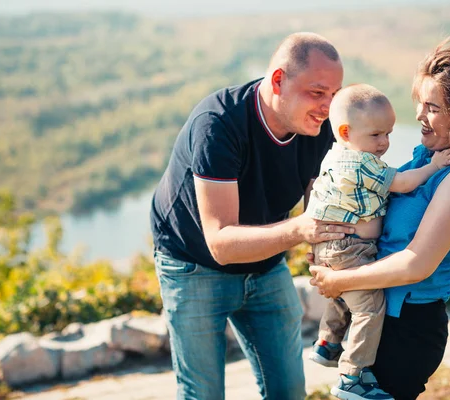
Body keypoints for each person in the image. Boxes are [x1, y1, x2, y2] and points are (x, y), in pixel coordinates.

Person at [309, 37, 450, 400]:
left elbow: (416, 264)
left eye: (433, 107)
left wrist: (338, 279)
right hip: (380, 316)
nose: (420, 116)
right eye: (420, 103)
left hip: (407, 328)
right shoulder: (423, 160)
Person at [150, 32, 354, 400]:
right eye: (317, 92)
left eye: (334, 95)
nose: (328, 107)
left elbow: (315, 205)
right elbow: (222, 244)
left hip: (264, 263)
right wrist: (301, 229)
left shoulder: (318, 126)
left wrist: (330, 251)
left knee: (289, 391)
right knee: (204, 394)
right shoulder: (218, 124)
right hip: (192, 264)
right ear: (278, 80)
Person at [304, 84, 450, 400]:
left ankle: (328, 342)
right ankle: (352, 375)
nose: (385, 143)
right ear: (346, 131)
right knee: (370, 307)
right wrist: (435, 166)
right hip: (351, 248)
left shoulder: (335, 156)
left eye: (389, 134)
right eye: (376, 135)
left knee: (344, 298)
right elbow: (400, 183)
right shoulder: (360, 162)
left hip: (335, 247)